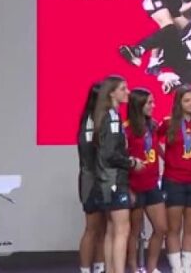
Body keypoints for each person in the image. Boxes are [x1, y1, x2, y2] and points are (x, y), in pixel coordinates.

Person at [159, 86, 191, 273]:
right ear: (179, 103)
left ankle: (187, 267)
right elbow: (151, 141)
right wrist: (166, 158)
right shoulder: (168, 123)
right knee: (173, 227)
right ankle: (176, 267)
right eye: (186, 100)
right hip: (173, 180)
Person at [91, 75, 138, 273]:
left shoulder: (106, 115)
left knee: (111, 229)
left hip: (105, 179)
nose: (127, 92)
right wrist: (132, 162)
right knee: (122, 230)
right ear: (112, 92)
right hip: (114, 179)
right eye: (123, 89)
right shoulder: (111, 117)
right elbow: (110, 153)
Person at [124, 88, 168, 273]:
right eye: (149, 103)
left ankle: (151, 268)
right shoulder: (126, 129)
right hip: (134, 185)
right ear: (138, 105)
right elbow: (121, 159)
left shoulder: (153, 125)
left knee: (161, 228)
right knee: (133, 232)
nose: (153, 106)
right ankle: (134, 268)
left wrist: (168, 161)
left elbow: (156, 146)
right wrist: (127, 188)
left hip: (151, 184)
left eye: (153, 102)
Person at [77, 82, 106, 273]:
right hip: (92, 181)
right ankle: (85, 269)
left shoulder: (105, 120)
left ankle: (99, 267)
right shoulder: (89, 122)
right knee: (92, 228)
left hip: (104, 180)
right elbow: (90, 156)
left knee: (103, 229)